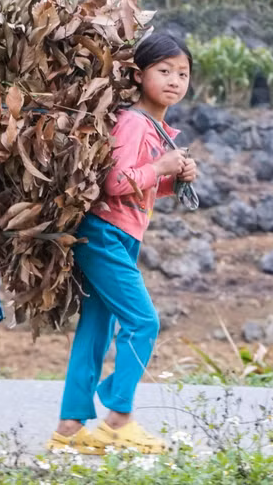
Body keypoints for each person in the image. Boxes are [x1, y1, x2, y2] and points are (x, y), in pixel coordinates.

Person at [46, 33, 197, 455]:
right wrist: (160, 165)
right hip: (104, 236)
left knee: (96, 329)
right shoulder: (132, 122)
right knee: (143, 322)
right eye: (163, 71)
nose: (174, 80)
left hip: (119, 236)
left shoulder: (156, 128)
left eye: (182, 73)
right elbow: (114, 183)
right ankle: (118, 416)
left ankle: (70, 428)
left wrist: (170, 180)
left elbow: (138, 187)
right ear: (137, 74)